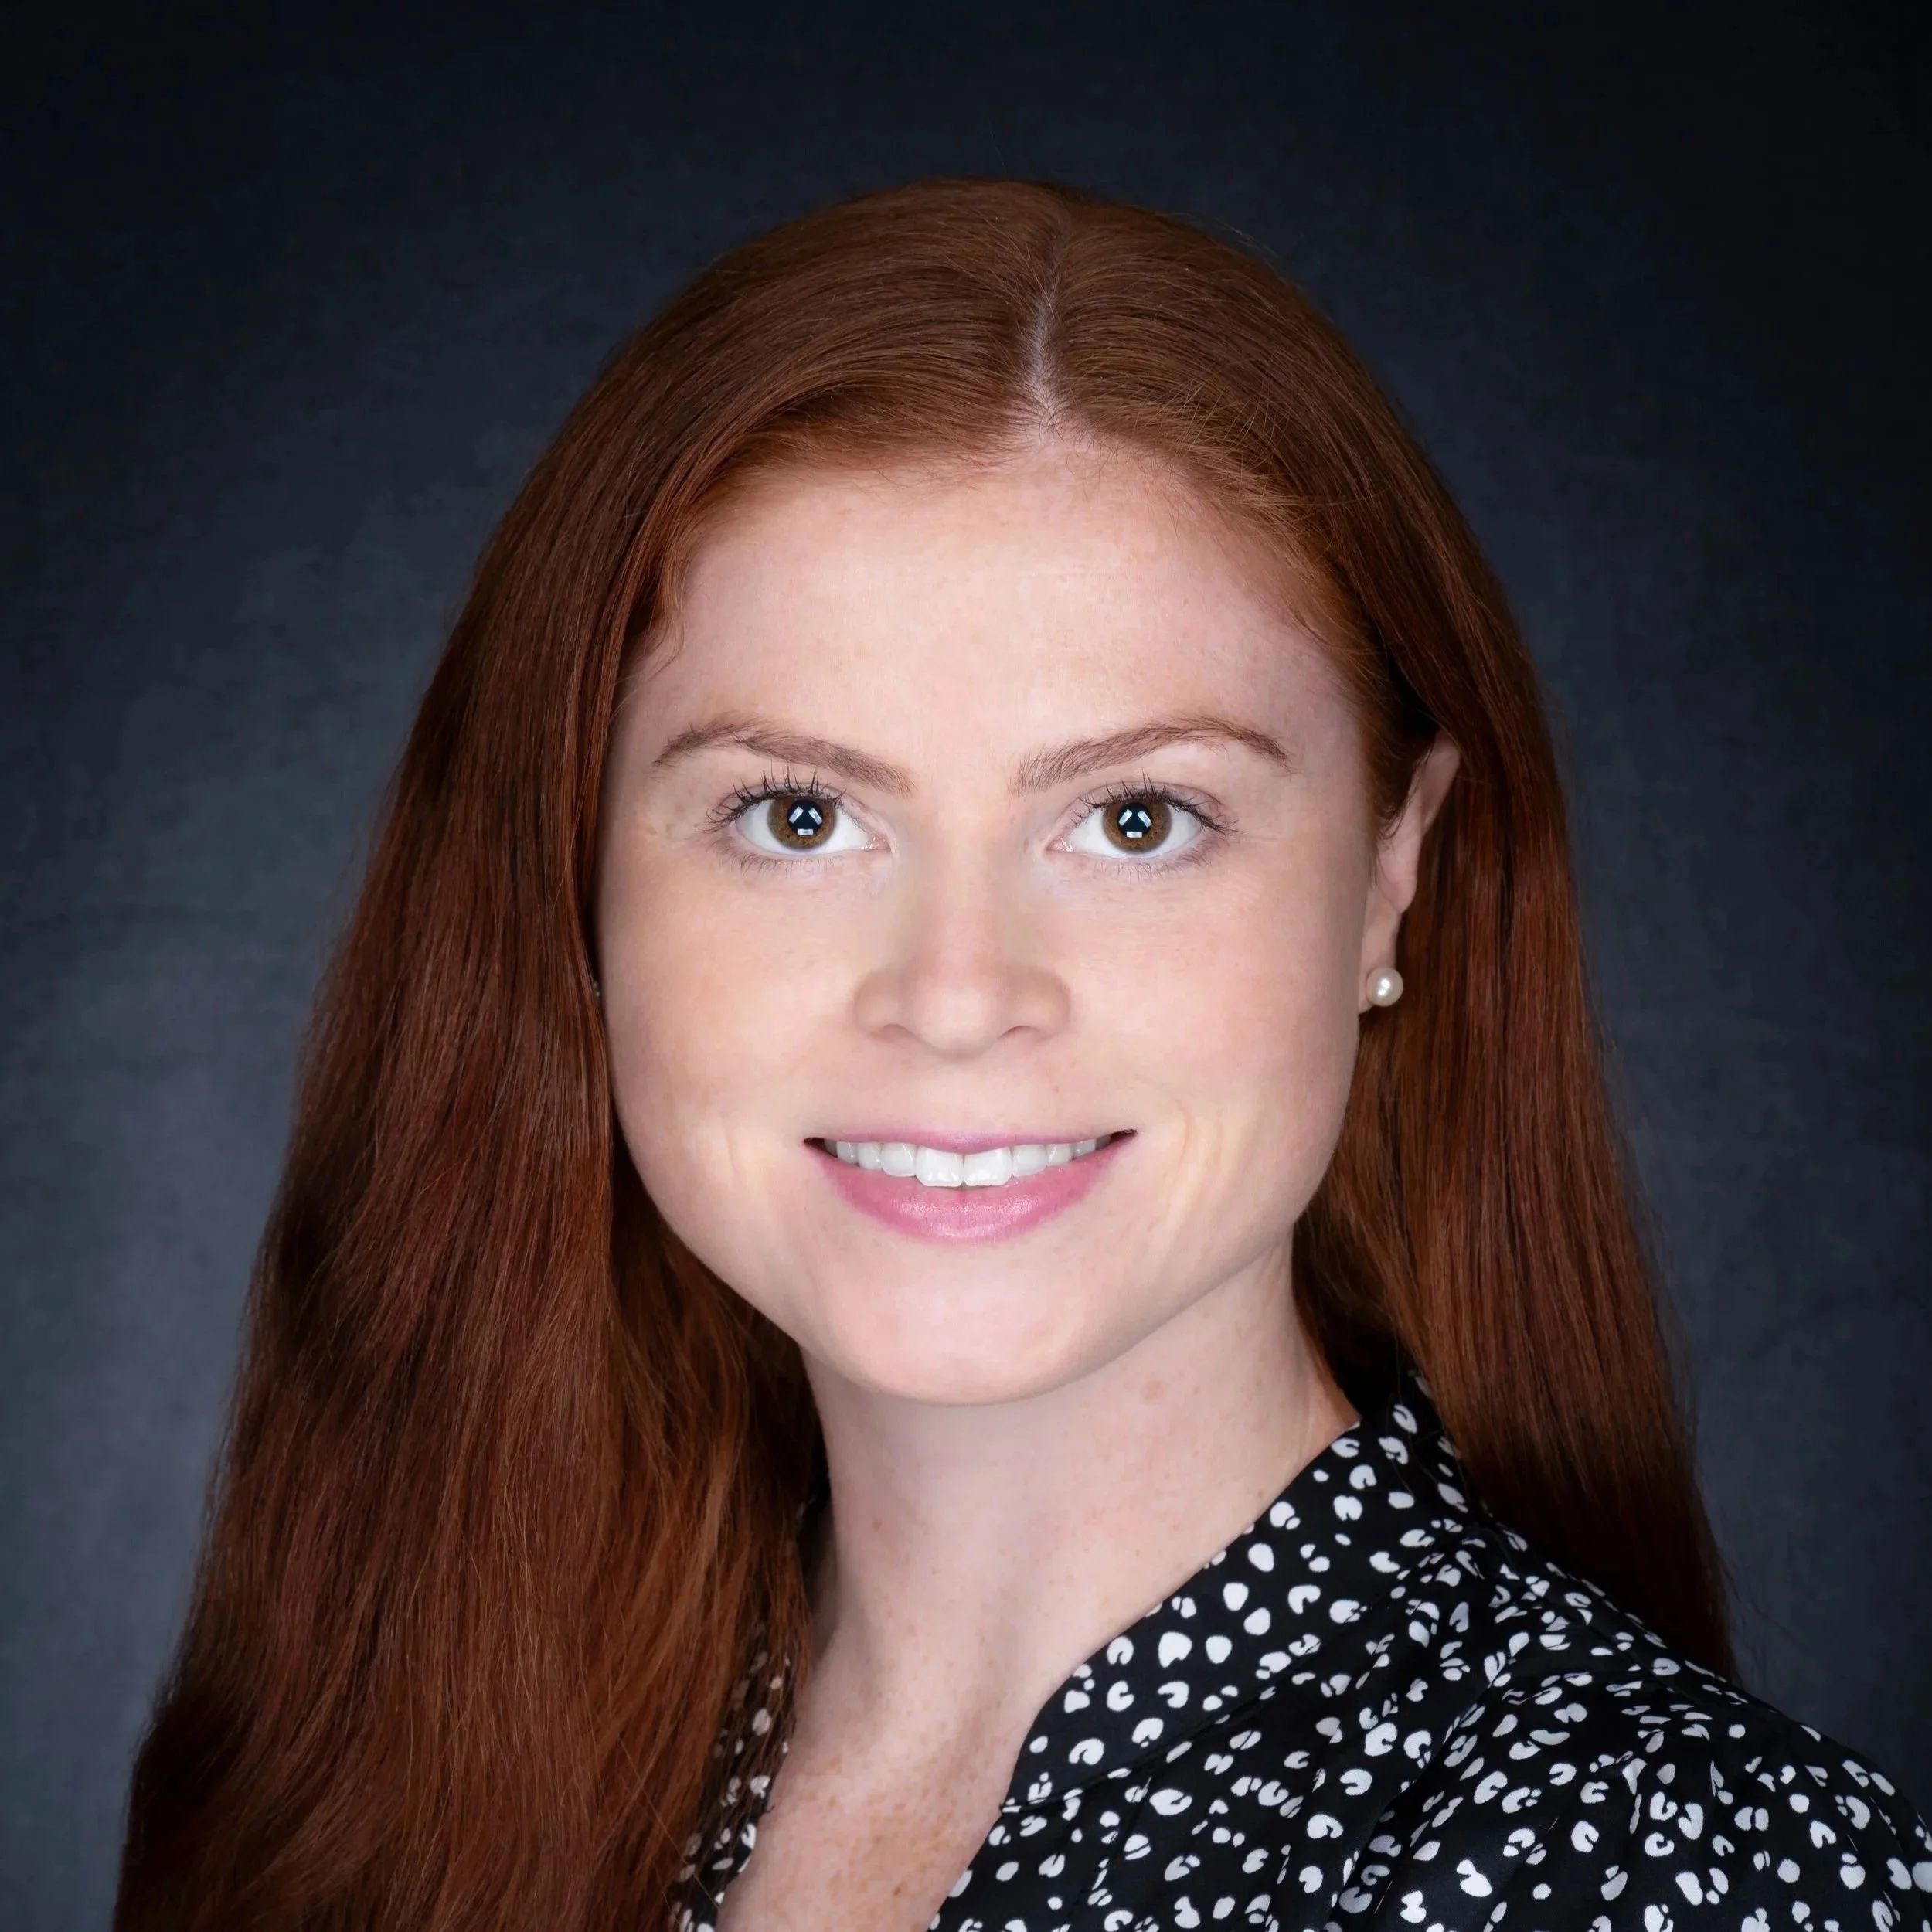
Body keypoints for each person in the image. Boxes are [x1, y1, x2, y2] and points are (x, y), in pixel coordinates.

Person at [114, 180, 1930, 1932]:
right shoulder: (384, 1765)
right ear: (571, 876)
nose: (960, 991)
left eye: (1135, 819)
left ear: (1390, 875)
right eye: (798, 814)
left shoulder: (1671, 1873)